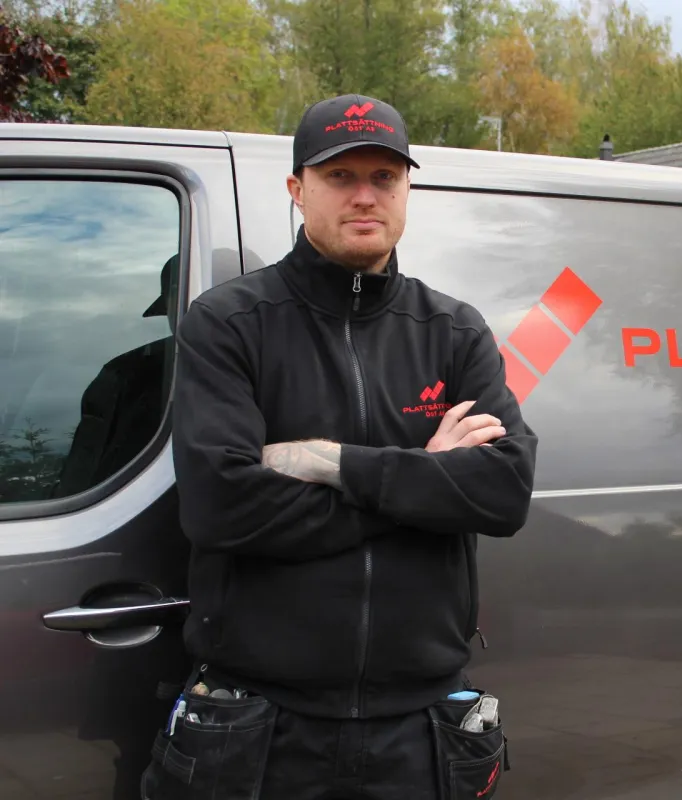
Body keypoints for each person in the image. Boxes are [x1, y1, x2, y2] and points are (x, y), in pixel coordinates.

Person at [144, 94, 537, 800]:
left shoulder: (453, 331)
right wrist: (429, 480)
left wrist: (329, 465)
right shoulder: (231, 324)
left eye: (384, 177)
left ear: (406, 189)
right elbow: (222, 506)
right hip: (257, 727)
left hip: (421, 732)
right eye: (339, 176)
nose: (364, 195)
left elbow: (504, 493)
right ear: (297, 190)